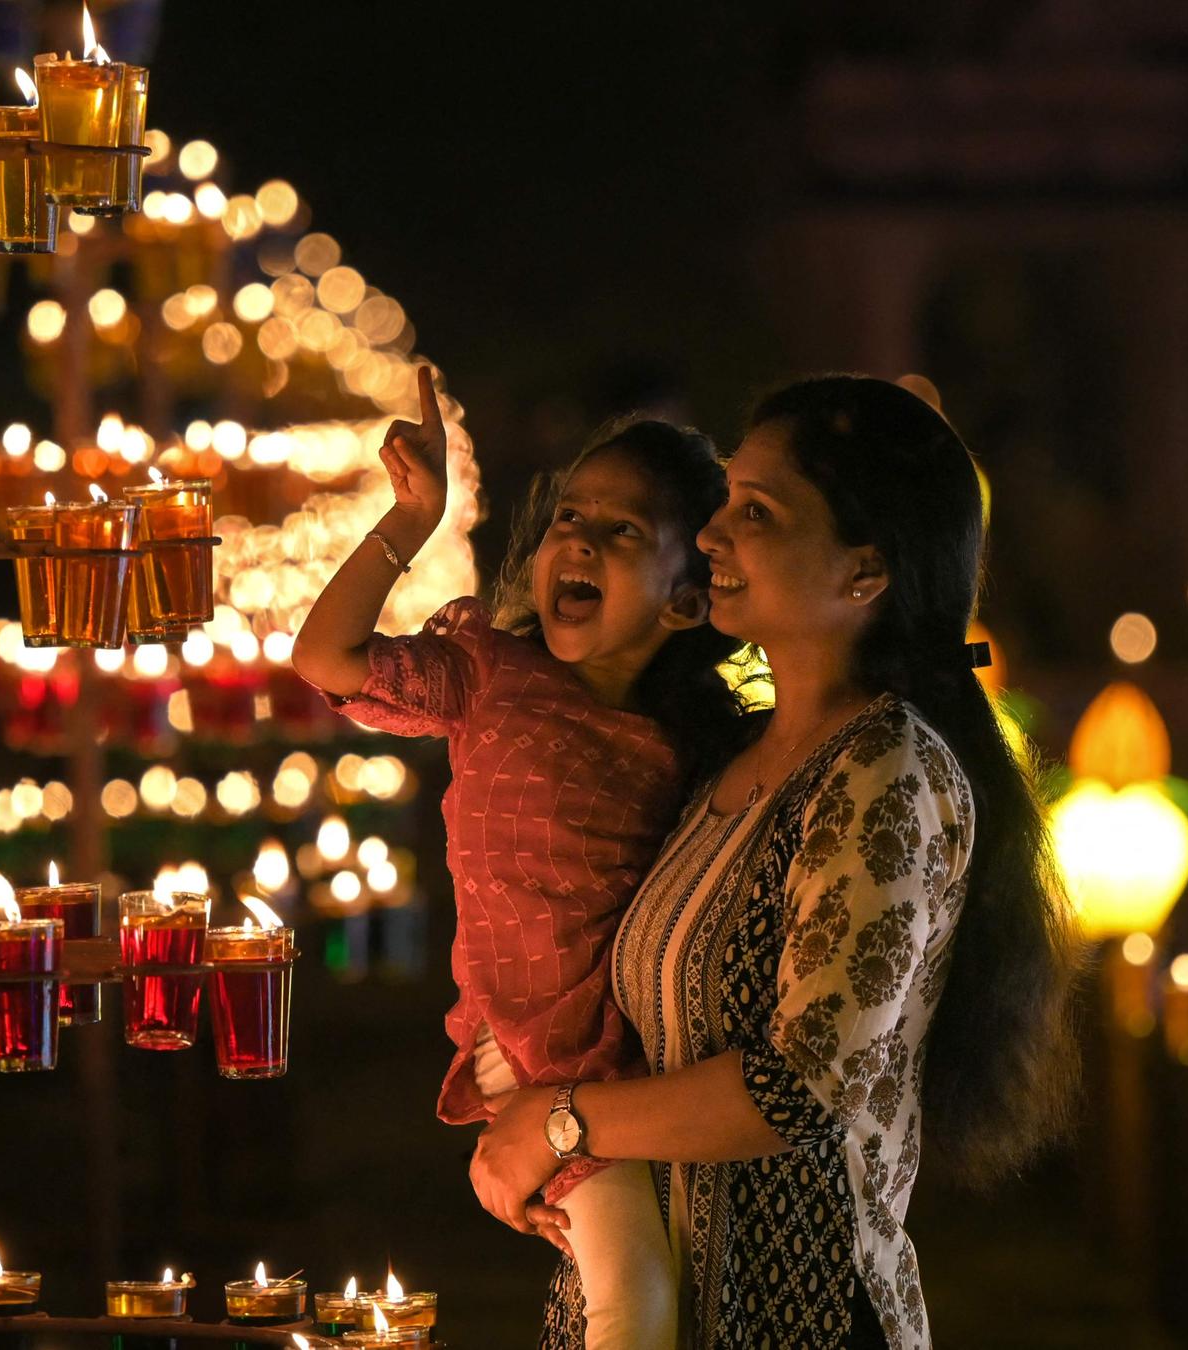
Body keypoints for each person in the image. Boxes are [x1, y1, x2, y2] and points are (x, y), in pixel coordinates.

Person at [472, 375, 1082, 1349]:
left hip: (797, 1316)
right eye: (723, 504)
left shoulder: (886, 771)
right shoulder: (725, 756)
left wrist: (562, 1124)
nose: (712, 536)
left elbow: (799, 1086)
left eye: (756, 512)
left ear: (865, 573)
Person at [293, 368, 742, 1349]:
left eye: (624, 532)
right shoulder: (490, 674)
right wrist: (410, 522)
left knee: (646, 1301)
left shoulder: (689, 753)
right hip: (526, 1056)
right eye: (570, 518)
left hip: (609, 1077)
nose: (577, 539)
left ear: (688, 604)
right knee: (637, 1305)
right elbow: (327, 659)